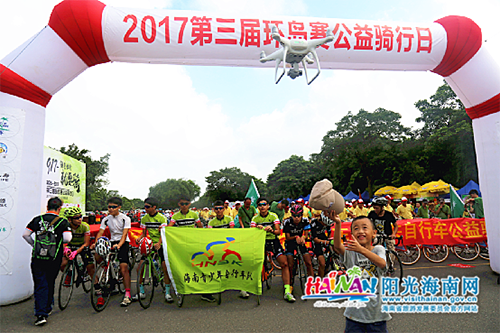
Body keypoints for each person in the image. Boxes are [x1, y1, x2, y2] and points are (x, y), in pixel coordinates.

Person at [332, 212, 392, 332]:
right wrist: (338, 223)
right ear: (352, 234)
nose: (360, 231)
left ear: (374, 233)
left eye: (365, 228)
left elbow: (382, 264)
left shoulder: (378, 249)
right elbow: (338, 246)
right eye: (356, 229)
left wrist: (362, 250)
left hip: (377, 314)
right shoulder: (351, 252)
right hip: (354, 315)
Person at [22, 197, 72, 326]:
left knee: (40, 284)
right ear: (59, 208)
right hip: (54, 258)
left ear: (47, 206)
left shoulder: (37, 219)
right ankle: (47, 307)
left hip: (37, 257)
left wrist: (35, 245)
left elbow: (25, 235)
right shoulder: (62, 221)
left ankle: (40, 314)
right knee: (50, 281)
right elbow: (67, 238)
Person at [167, 195, 215, 302]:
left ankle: (205, 292)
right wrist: (164, 229)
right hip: (181, 246)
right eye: (181, 204)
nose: (184, 206)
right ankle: (182, 288)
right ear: (179, 205)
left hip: (194, 244)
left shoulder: (194, 214)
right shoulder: (175, 216)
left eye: (186, 204)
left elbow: (200, 228)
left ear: (189, 204)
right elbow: (169, 227)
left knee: (201, 267)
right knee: (182, 267)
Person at [91, 197, 132, 307]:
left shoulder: (125, 218)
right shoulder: (106, 219)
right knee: (97, 255)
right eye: (109, 207)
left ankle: (127, 294)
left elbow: (124, 235)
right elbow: (100, 232)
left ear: (119, 207)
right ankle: (109, 272)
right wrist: (96, 243)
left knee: (123, 268)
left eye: (113, 207)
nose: (111, 209)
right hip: (112, 240)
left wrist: (119, 245)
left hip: (123, 242)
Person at [251, 197, 294, 302]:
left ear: (268, 206)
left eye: (264, 204)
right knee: (254, 263)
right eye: (260, 205)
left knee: (284, 263)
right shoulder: (255, 219)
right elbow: (251, 233)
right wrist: (257, 229)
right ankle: (248, 287)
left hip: (273, 241)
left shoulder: (273, 216)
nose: (262, 207)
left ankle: (287, 291)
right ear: (257, 207)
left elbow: (278, 232)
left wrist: (272, 230)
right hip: (261, 243)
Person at [134, 197, 173, 303]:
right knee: (140, 267)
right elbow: (143, 233)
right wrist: (139, 238)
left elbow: (163, 233)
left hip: (161, 242)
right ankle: (141, 291)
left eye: (147, 207)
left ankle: (168, 292)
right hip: (149, 243)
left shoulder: (162, 218)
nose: (145, 209)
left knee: (165, 267)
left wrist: (159, 243)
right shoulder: (144, 218)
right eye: (144, 206)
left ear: (154, 207)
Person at [60, 206, 95, 289]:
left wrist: (76, 252)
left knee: (90, 267)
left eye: (80, 217)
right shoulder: (65, 226)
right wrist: (65, 249)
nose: (80, 219)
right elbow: (62, 241)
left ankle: (98, 289)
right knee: (62, 264)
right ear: (69, 219)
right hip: (70, 246)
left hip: (82, 246)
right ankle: (69, 273)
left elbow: (86, 243)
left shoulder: (85, 226)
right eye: (76, 218)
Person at [283, 205, 314, 289]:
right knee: (290, 264)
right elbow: (288, 237)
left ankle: (312, 282)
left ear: (302, 215)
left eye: (298, 216)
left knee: (309, 262)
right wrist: (296, 236)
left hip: (300, 242)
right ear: (291, 216)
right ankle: (290, 283)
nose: (296, 218)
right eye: (294, 216)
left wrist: (304, 237)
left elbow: (306, 234)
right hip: (290, 242)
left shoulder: (305, 220)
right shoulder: (287, 222)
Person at [310, 212, 334, 278]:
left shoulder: (327, 223)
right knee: (322, 263)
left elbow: (329, 234)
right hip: (316, 241)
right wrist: (324, 242)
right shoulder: (314, 223)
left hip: (323, 238)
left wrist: (329, 240)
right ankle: (320, 279)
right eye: (324, 224)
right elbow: (315, 239)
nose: (325, 226)